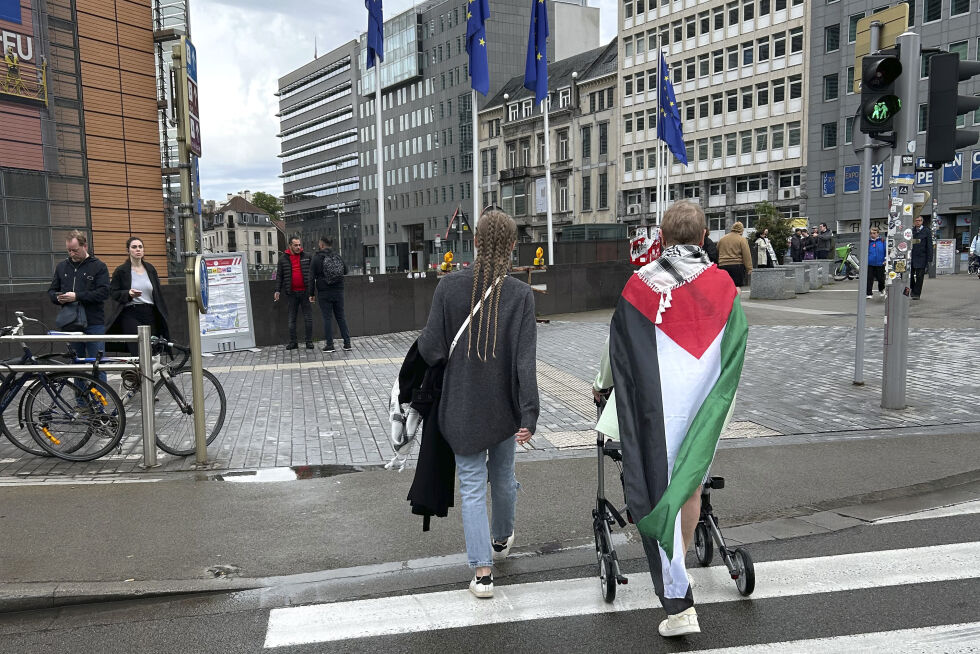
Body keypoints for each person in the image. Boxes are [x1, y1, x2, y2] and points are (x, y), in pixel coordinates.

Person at [592, 200, 747, 638]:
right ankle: (679, 556)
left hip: (651, 414)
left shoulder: (640, 286)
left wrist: (600, 383)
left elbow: (616, 350)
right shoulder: (724, 288)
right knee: (690, 485)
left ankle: (677, 593)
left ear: (660, 239)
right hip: (702, 412)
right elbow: (732, 352)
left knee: (649, 487)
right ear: (703, 239)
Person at [417, 209, 539, 599]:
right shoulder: (520, 294)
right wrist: (529, 413)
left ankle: (482, 573)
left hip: (461, 406)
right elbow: (525, 360)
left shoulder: (449, 288)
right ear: (513, 245)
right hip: (503, 408)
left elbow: (432, 347)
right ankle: (502, 538)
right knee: (502, 477)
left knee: (471, 485)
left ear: (473, 243)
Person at [47, 230, 110, 369]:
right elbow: (51, 291)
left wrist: (77, 296)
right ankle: (79, 392)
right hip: (71, 323)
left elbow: (104, 292)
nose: (71, 254)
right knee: (76, 366)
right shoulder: (62, 266)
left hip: (94, 322)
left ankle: (99, 392)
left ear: (85, 246)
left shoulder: (98, 266)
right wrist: (58, 298)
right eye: (68, 250)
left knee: (98, 366)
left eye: (75, 250)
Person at [105, 237, 170, 356]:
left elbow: (158, 293)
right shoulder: (121, 271)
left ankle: (148, 375)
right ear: (128, 250)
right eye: (134, 247)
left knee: (153, 349)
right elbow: (113, 293)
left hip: (150, 312)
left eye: (140, 247)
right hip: (131, 313)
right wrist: (128, 294)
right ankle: (137, 374)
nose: (138, 250)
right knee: (138, 350)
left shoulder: (150, 269)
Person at [311, 237, 351, 353]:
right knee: (341, 317)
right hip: (338, 291)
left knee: (327, 318)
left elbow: (311, 277)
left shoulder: (317, 258)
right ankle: (347, 343)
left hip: (324, 292)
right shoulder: (337, 256)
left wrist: (311, 293)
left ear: (322, 245)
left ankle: (330, 345)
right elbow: (346, 271)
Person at [275, 236, 314, 349]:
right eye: (295, 245)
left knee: (308, 318)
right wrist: (277, 290)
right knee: (291, 318)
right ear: (290, 246)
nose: (298, 247)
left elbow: (313, 273)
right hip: (291, 293)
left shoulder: (307, 257)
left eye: (299, 245)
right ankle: (293, 342)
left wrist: (312, 291)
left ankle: (309, 341)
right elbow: (279, 276)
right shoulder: (283, 259)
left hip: (305, 292)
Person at [717, 221, 752, 286]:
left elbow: (717, 251)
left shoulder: (722, 239)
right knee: (736, 287)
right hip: (737, 266)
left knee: (725, 287)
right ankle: (736, 296)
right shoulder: (742, 239)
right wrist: (749, 268)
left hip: (722, 265)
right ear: (741, 230)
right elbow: (746, 255)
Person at [910, 216, 932, 300]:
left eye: (919, 221)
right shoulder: (911, 231)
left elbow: (929, 245)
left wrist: (929, 258)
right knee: (910, 275)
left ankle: (916, 293)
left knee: (919, 276)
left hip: (922, 257)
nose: (917, 222)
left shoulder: (926, 231)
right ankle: (913, 288)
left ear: (922, 221)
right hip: (912, 256)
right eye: (916, 221)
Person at [866, 227, 886, 299]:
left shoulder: (882, 241)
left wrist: (885, 260)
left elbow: (886, 251)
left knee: (881, 279)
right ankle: (869, 293)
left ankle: (881, 289)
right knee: (869, 278)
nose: (872, 235)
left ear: (878, 233)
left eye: (874, 233)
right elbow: (865, 252)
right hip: (870, 263)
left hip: (880, 263)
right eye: (871, 233)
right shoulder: (868, 242)